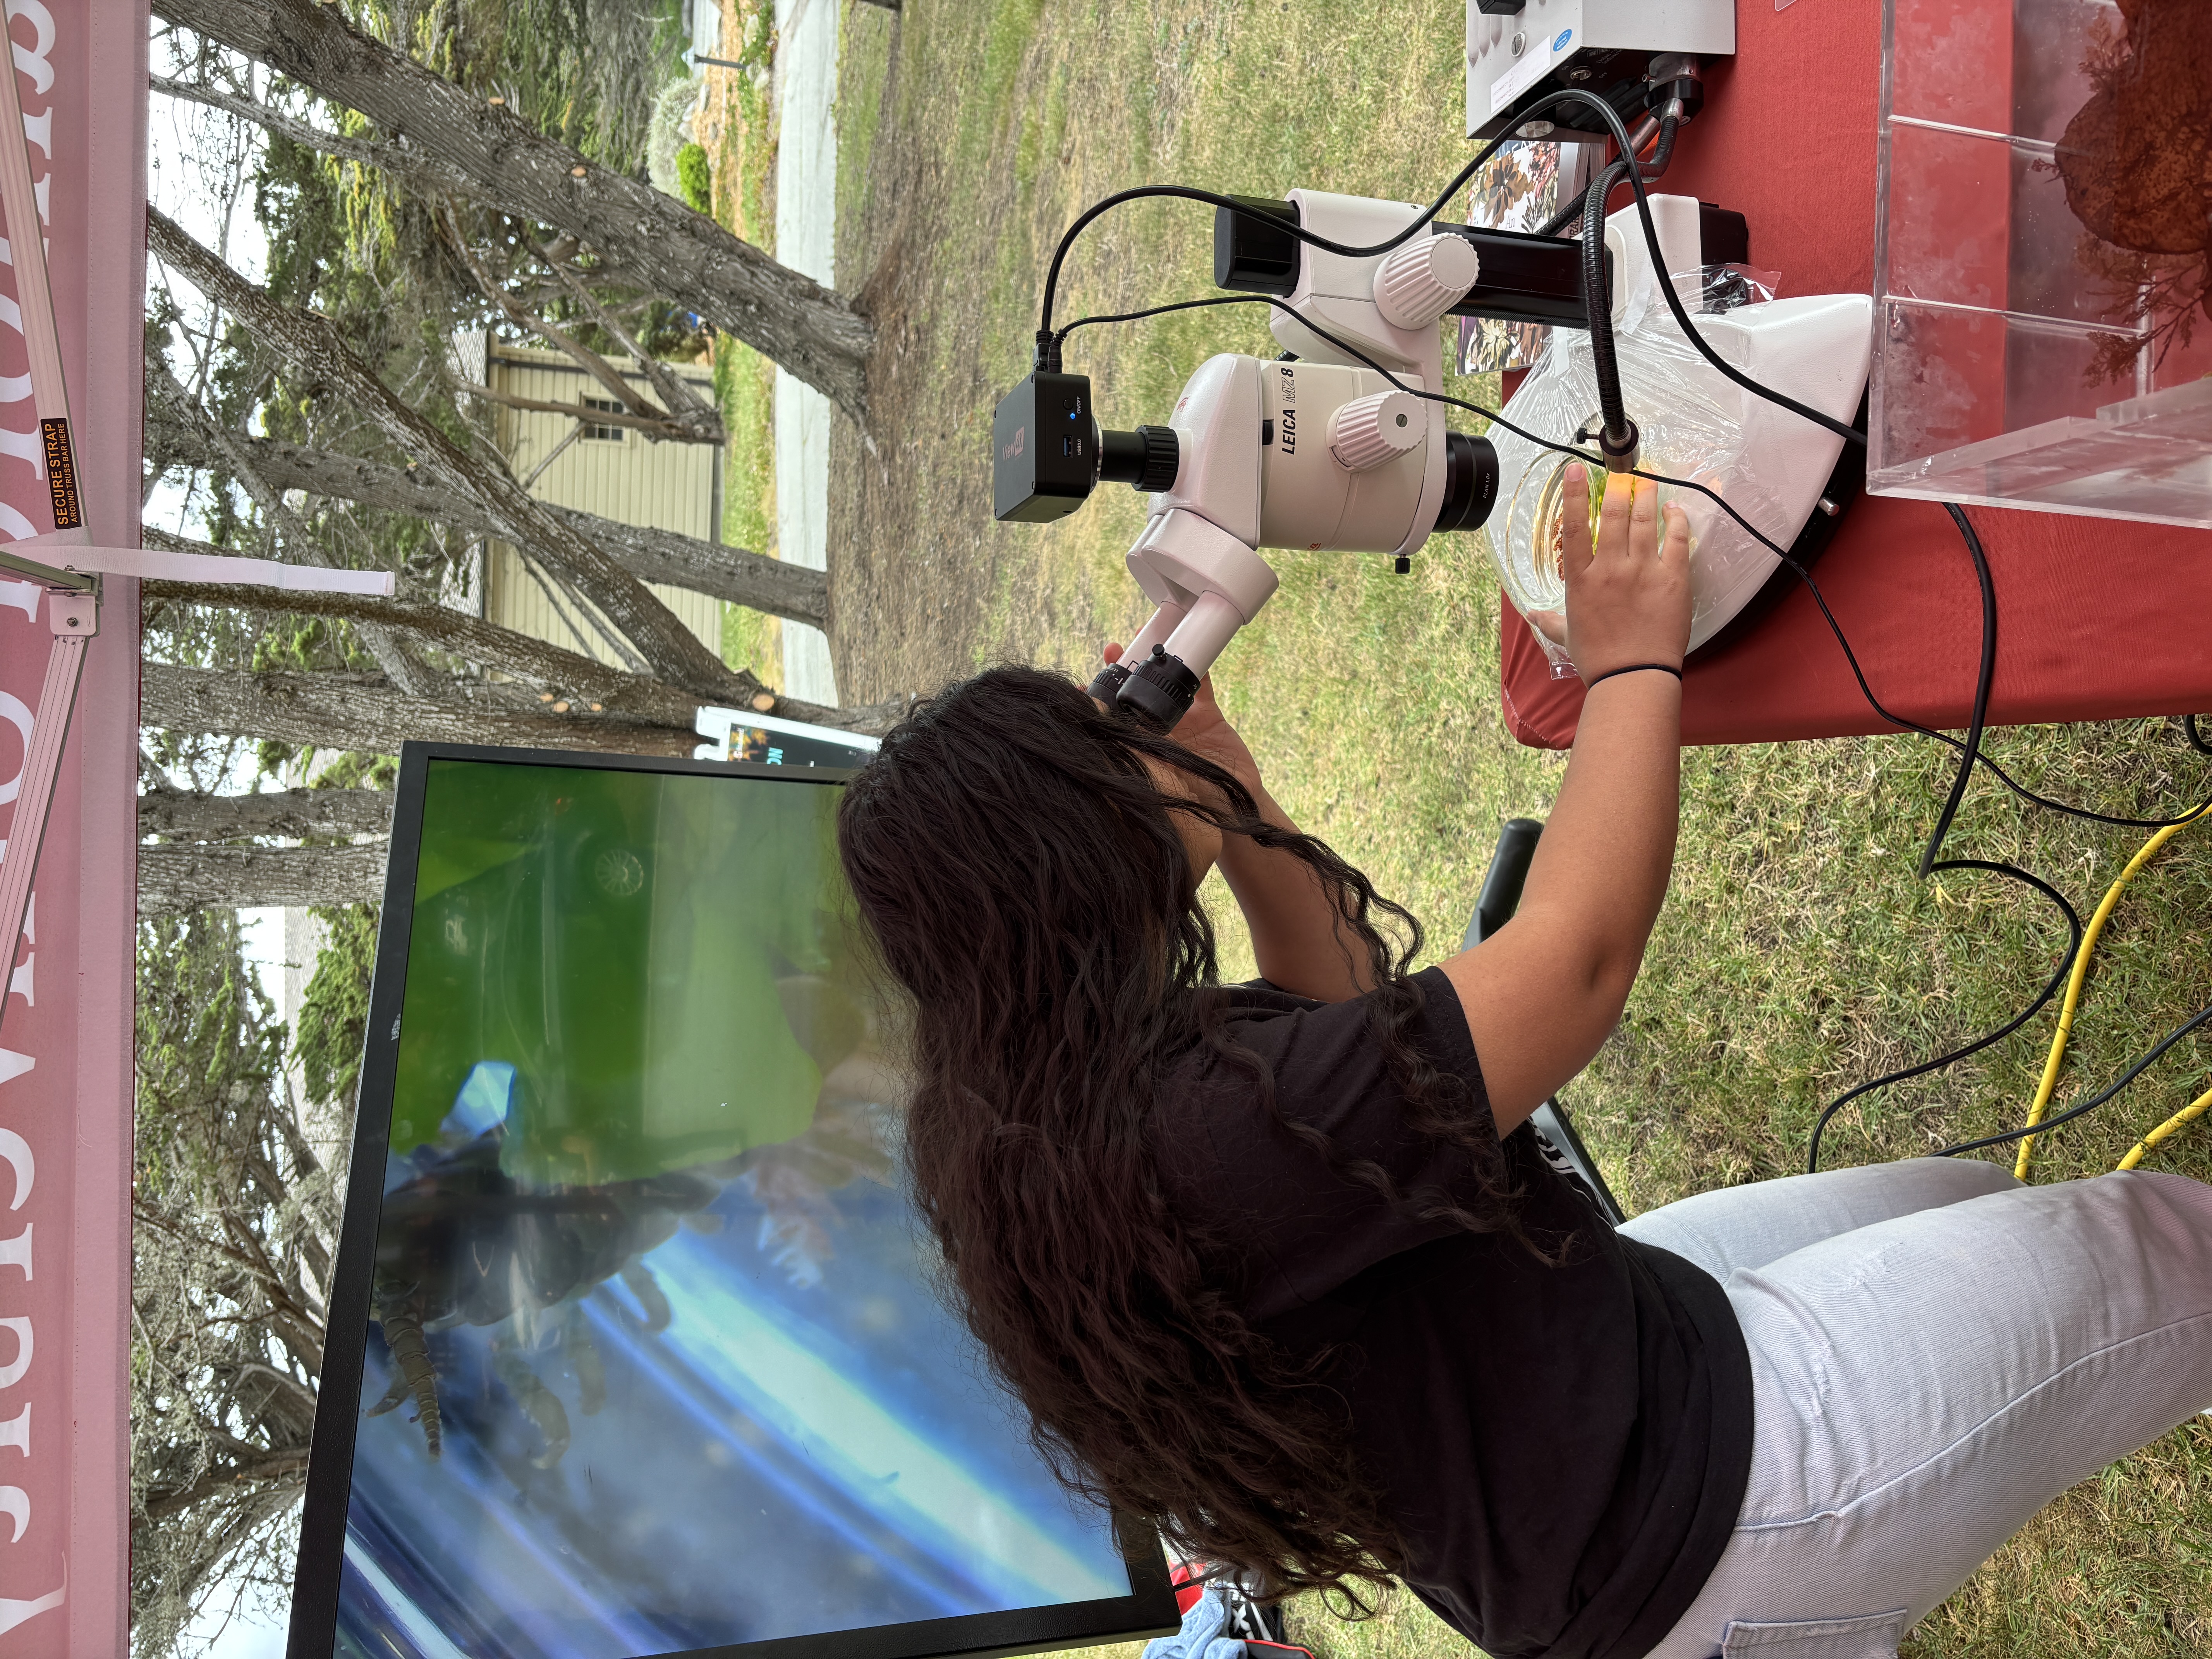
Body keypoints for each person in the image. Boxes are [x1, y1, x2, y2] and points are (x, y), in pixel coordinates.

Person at [835, 466, 2212, 1659]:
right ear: (1062, 864)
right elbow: (1576, 965)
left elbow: (1356, 1042)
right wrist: (1628, 663)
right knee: (2159, 1251)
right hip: (1719, 1517)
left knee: (1962, 1198)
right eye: (1101, 762)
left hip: (1624, 1365)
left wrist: (1244, 811)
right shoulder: (1181, 1149)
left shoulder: (1070, 1107)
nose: (1133, 746)